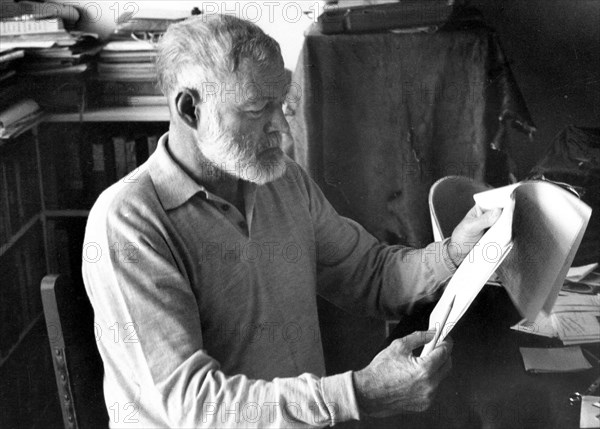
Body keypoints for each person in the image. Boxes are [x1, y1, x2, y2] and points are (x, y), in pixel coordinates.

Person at [82, 14, 500, 428]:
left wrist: (453, 253)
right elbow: (190, 404)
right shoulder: (127, 222)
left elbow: (372, 275)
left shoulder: (280, 181)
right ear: (190, 109)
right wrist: (359, 394)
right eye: (256, 109)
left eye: (281, 104)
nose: (282, 129)